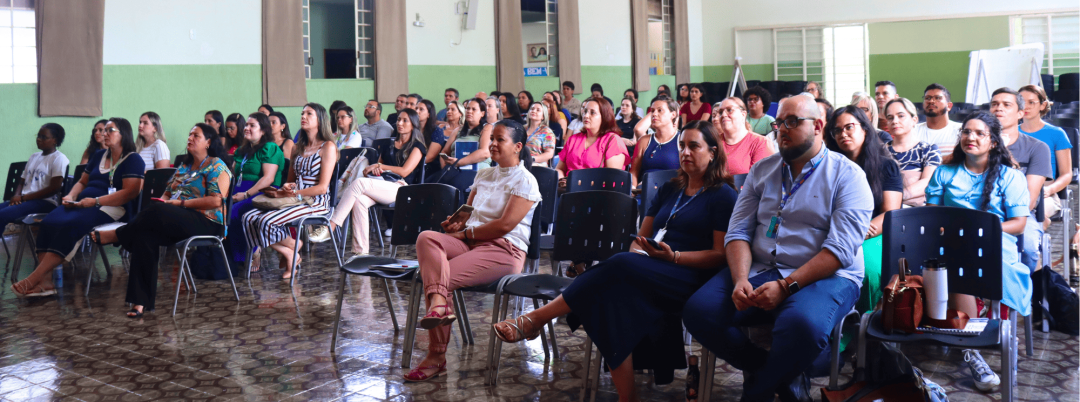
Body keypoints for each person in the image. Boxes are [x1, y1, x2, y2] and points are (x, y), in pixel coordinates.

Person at [494, 121, 738, 398]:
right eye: (682, 145)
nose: (685, 152)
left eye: (694, 146)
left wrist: (675, 257)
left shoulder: (723, 195)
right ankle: (627, 397)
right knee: (611, 296)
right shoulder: (671, 189)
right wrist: (638, 256)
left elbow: (720, 255)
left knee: (619, 265)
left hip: (690, 274)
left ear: (713, 152)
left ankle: (535, 318)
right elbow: (640, 239)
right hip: (651, 268)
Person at [683, 95, 873, 402]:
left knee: (800, 324)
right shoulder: (762, 171)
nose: (782, 129)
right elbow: (738, 232)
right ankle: (774, 372)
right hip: (762, 268)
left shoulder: (848, 176)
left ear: (818, 126)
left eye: (793, 122)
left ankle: (757, 391)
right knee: (698, 311)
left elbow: (839, 251)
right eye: (779, 122)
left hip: (828, 276)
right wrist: (741, 278)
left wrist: (786, 287)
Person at [405, 119, 543, 382]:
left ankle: (436, 356)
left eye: (499, 139)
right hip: (471, 242)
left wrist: (465, 232)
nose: (492, 144)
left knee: (436, 278)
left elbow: (504, 226)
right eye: (491, 138)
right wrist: (456, 222)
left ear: (518, 147)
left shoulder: (526, 181)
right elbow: (468, 216)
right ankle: (438, 306)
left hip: (504, 250)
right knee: (427, 238)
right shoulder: (484, 174)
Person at [924, 111, 1032, 392]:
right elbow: (933, 216)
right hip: (951, 243)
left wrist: (982, 232)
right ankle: (973, 351)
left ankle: (984, 339)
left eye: (979, 133)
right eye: (966, 132)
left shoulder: (1010, 176)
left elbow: (1019, 225)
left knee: (973, 264)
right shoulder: (944, 172)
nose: (970, 137)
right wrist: (952, 233)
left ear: (994, 142)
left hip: (996, 241)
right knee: (955, 263)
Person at [92, 123, 232, 317]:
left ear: (208, 142)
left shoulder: (217, 166)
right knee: (144, 236)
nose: (190, 138)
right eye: (190, 134)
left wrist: (179, 204)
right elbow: (167, 194)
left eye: (196, 136)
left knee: (157, 210)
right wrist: (167, 203)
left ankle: (118, 235)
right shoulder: (184, 165)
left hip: (207, 222)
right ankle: (140, 303)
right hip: (177, 218)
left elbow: (216, 200)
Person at [11, 118, 145, 297]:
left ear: (124, 134)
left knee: (72, 224)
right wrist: (71, 196)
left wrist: (95, 201)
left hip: (111, 207)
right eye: (103, 130)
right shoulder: (99, 156)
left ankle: (34, 278)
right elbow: (82, 181)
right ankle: (46, 282)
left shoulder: (133, 159)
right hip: (83, 203)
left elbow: (129, 193)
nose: (104, 134)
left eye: (109, 130)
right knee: (49, 221)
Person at [241, 103, 338, 279]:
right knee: (247, 218)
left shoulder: (328, 146)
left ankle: (290, 250)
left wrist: (297, 193)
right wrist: (288, 187)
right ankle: (292, 248)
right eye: (302, 113)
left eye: (309, 114)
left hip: (316, 202)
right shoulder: (297, 148)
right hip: (295, 199)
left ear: (320, 120)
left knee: (265, 222)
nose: (303, 116)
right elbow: (290, 181)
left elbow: (323, 187)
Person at [825, 105, 903, 313]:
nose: (843, 134)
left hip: (875, 233)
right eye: (837, 130)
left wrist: (859, 231)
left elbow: (890, 214)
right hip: (836, 231)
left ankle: (864, 331)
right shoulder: (829, 168)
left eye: (849, 127)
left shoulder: (886, 166)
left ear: (865, 129)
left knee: (865, 271)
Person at [328, 109, 426, 257]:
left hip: (403, 188)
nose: (399, 123)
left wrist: (381, 167)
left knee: (359, 183)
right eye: (399, 119)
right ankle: (360, 253)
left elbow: (405, 171)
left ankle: (331, 226)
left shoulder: (418, 146)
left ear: (413, 124)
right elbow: (378, 167)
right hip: (383, 184)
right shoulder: (389, 144)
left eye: (405, 120)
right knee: (359, 201)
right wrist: (374, 170)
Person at [992, 87, 1052, 274]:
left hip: (1019, 213)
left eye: (1006, 105)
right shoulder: (976, 143)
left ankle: (1023, 296)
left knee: (1028, 246)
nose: (998, 108)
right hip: (981, 210)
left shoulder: (1037, 148)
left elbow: (1030, 199)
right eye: (994, 104)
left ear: (1020, 113)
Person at [228, 113, 285, 269]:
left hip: (261, 193)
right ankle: (230, 258)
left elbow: (268, 178)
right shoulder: (241, 150)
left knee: (234, 211)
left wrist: (246, 194)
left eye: (252, 125)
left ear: (263, 130)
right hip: (239, 191)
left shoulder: (269, 148)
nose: (246, 128)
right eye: (246, 125)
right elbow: (233, 175)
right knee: (219, 209)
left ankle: (253, 252)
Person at [0, 124, 68, 236]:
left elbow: (54, 188)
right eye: (38, 136)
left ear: (55, 140)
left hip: (45, 202)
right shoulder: (34, 156)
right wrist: (16, 196)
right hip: (25, 200)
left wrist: (23, 197)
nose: (38, 139)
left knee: (2, 215)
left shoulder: (59, 158)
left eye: (43, 137)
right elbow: (22, 181)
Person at [1018, 84, 1072, 227]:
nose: (1026, 107)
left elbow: (1067, 174)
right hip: (1015, 190)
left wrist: (1050, 190)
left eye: (1031, 102)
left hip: (1045, 192)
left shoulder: (1057, 134)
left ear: (1042, 106)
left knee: (1032, 218)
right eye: (1022, 102)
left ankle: (1035, 245)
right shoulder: (1010, 133)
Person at [554, 97, 629, 182]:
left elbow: (611, 179)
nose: (586, 116)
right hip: (569, 191)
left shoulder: (613, 141)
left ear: (604, 117)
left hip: (598, 192)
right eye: (585, 111)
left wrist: (578, 183)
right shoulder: (573, 139)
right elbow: (559, 169)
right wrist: (561, 180)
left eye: (592, 113)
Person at [884, 98, 940, 207]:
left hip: (915, 212)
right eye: (890, 118)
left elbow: (927, 182)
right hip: (884, 208)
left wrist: (896, 197)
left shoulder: (929, 150)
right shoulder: (880, 151)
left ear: (914, 119)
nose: (895, 121)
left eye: (901, 116)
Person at [712, 97, 773, 175]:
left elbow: (760, 180)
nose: (723, 115)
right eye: (720, 112)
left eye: (729, 110)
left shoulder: (761, 143)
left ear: (743, 114)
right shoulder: (712, 142)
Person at [629, 97, 681, 187]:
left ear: (673, 114)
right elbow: (634, 172)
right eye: (652, 111)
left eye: (660, 110)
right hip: (644, 190)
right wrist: (633, 189)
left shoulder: (681, 140)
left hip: (670, 190)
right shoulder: (644, 141)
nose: (654, 114)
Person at [914, 83, 962, 162]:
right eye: (927, 98)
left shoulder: (960, 130)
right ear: (923, 105)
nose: (931, 101)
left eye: (937, 98)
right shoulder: (913, 131)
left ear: (949, 106)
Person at [425, 101, 465, 172]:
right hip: (437, 162)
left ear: (461, 113)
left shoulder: (464, 130)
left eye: (453, 109)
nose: (449, 112)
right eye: (448, 109)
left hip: (457, 163)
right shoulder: (441, 127)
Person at [523, 102, 556, 166]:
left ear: (543, 116)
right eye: (532, 109)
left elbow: (549, 154)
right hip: (520, 161)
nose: (533, 111)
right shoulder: (522, 129)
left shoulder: (547, 132)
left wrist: (532, 159)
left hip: (536, 163)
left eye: (538, 110)